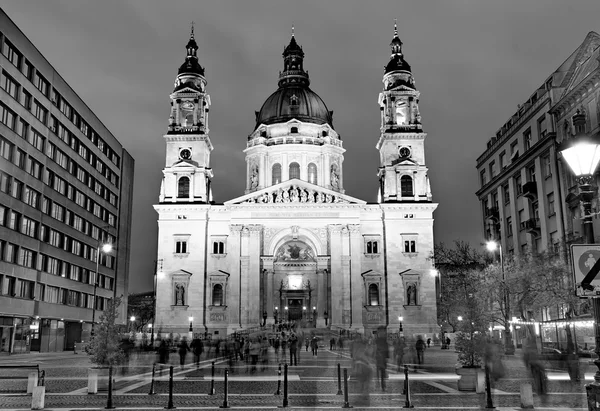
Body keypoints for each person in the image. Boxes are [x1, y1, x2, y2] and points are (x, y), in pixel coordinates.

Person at [523, 336, 548, 403]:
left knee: (539, 380)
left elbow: (526, 359)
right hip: (535, 366)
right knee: (539, 380)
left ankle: (541, 393)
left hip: (536, 366)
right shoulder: (532, 349)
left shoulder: (529, 349)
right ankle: (542, 394)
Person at [374, 326, 389, 391]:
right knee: (378, 373)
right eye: (382, 331)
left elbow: (386, 350)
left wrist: (387, 357)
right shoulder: (378, 340)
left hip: (382, 359)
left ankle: (382, 386)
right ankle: (380, 385)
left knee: (382, 373)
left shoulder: (383, 340)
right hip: (379, 359)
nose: (383, 333)